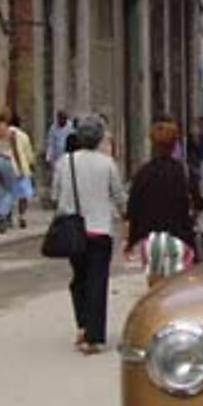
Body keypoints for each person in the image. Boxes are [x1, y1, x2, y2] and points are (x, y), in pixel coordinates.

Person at [53, 114, 126, 355]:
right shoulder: (107, 164)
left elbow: (56, 194)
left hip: (73, 230)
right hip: (99, 230)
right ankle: (93, 336)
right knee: (97, 281)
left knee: (79, 280)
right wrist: (126, 215)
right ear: (98, 138)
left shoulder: (65, 162)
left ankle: (83, 326)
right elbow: (118, 196)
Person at [125, 120, 198, 287]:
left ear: (153, 145)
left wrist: (129, 242)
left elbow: (132, 210)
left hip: (150, 240)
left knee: (155, 289)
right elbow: (199, 202)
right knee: (176, 288)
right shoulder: (184, 172)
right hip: (179, 237)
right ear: (175, 144)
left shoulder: (143, 173)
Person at [0, 110, 22, 233]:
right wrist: (19, 166)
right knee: (11, 190)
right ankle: (2, 213)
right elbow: (15, 150)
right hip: (5, 160)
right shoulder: (10, 132)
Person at [9, 113, 37, 229]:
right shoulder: (24, 136)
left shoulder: (2, 134)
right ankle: (22, 216)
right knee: (23, 195)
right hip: (22, 168)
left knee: (9, 193)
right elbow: (28, 153)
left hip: (9, 166)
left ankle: (8, 215)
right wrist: (32, 164)